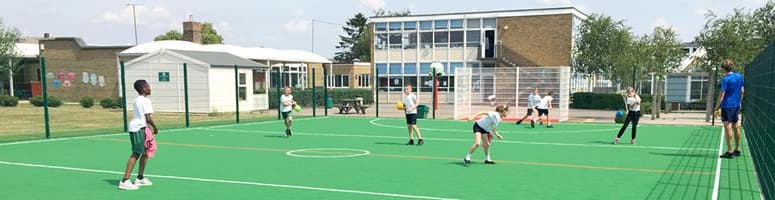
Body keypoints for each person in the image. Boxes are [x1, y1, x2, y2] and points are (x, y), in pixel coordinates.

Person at [119, 80, 159, 190]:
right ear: (144, 88)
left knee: (145, 152)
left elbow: (143, 118)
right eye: (148, 86)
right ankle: (125, 180)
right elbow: (148, 118)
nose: (150, 88)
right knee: (136, 153)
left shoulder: (138, 100)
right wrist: (155, 128)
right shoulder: (145, 101)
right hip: (137, 129)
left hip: (142, 128)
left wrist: (148, 128)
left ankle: (140, 178)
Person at [716, 59, 744, 159]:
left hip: (727, 106)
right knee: (736, 126)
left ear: (723, 68)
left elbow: (722, 94)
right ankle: (737, 149)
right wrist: (739, 102)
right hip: (736, 106)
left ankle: (730, 151)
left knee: (728, 127)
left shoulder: (725, 79)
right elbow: (742, 91)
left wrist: (716, 107)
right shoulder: (739, 76)